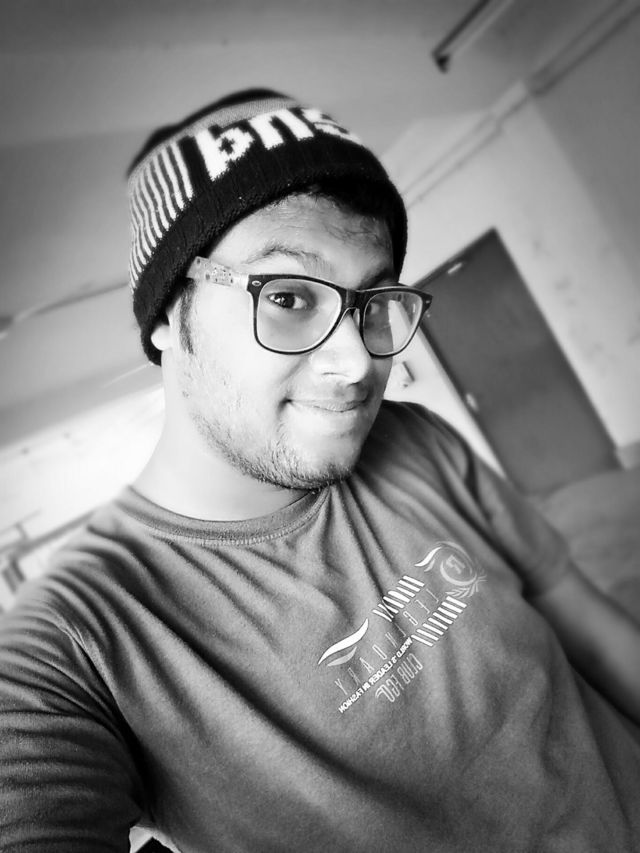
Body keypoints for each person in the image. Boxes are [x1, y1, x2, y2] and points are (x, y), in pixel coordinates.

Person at [1, 88, 639, 853]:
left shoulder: (414, 439)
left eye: (372, 302)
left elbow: (583, 622)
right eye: (289, 295)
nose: (357, 360)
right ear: (170, 311)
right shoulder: (73, 640)